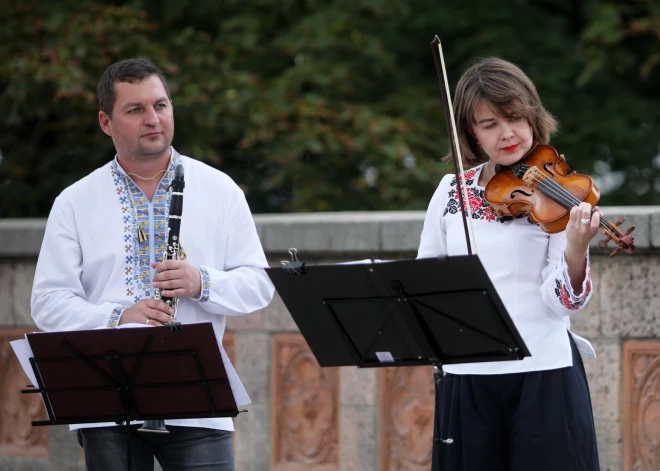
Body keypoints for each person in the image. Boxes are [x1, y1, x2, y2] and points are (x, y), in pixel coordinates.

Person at [30, 58, 274, 471]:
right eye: (135, 109)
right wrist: (118, 315)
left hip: (197, 396)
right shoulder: (75, 201)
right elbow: (48, 302)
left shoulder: (219, 189)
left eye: (160, 105)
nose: (153, 119)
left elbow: (260, 286)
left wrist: (202, 282)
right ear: (106, 122)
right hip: (108, 400)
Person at [418, 57, 601, 471]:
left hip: (545, 372)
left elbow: (563, 304)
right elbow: (424, 280)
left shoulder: (557, 194)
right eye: (490, 124)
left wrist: (575, 247)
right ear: (470, 132)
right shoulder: (450, 192)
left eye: (515, 118)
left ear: (533, 117)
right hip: (467, 374)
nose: (507, 134)